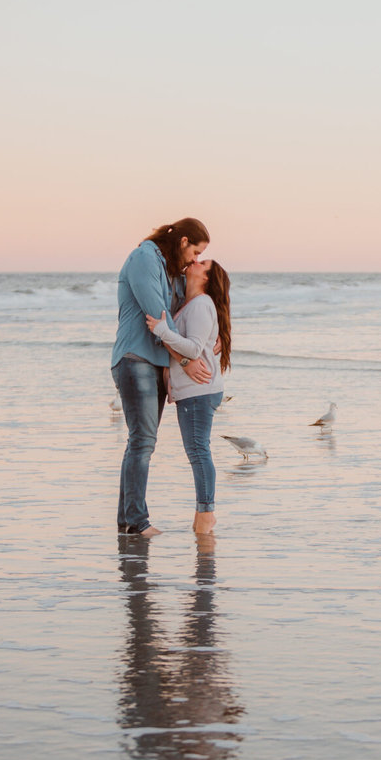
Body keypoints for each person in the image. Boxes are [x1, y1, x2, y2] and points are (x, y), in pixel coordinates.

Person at [111, 218, 211, 537]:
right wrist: (185, 359)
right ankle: (137, 522)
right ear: (182, 242)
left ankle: (127, 521)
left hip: (157, 363)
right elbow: (160, 318)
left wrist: (215, 334)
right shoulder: (145, 258)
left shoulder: (171, 271)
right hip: (135, 357)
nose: (195, 260)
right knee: (142, 440)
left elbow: (186, 311)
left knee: (142, 442)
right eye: (195, 252)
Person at [146, 260, 232, 534]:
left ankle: (206, 514)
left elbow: (194, 349)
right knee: (197, 451)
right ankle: (204, 513)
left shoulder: (201, 304)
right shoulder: (189, 302)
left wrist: (161, 331)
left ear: (206, 277)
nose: (196, 260)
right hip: (196, 391)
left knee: (198, 451)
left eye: (202, 262)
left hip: (200, 390)